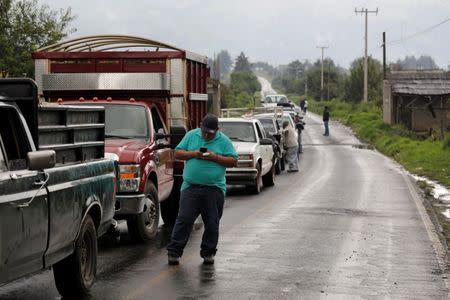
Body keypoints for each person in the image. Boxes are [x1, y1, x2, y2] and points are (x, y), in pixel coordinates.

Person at [167, 114, 238, 266]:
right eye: (204, 131)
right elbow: (177, 153)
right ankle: (174, 252)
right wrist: (194, 154)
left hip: (214, 189)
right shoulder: (191, 135)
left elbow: (233, 161)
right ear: (200, 125)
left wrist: (214, 157)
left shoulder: (224, 141)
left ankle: (208, 253)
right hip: (190, 187)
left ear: (217, 130)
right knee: (184, 220)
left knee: (212, 223)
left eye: (210, 133)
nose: (206, 135)